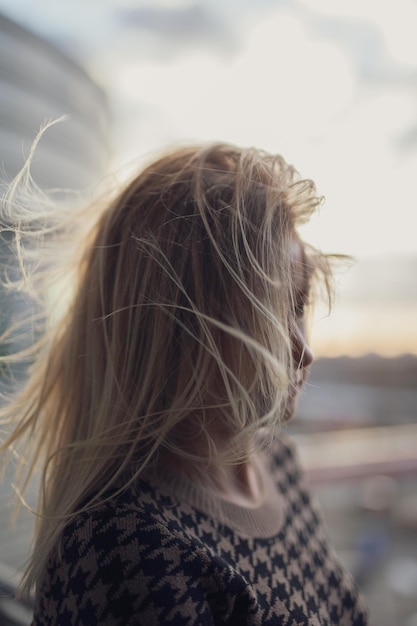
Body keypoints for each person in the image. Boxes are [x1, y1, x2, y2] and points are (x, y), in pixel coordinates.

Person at [1, 143, 368, 625]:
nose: (304, 351)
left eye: (298, 307)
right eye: (267, 317)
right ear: (179, 330)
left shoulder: (275, 462)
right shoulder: (124, 555)